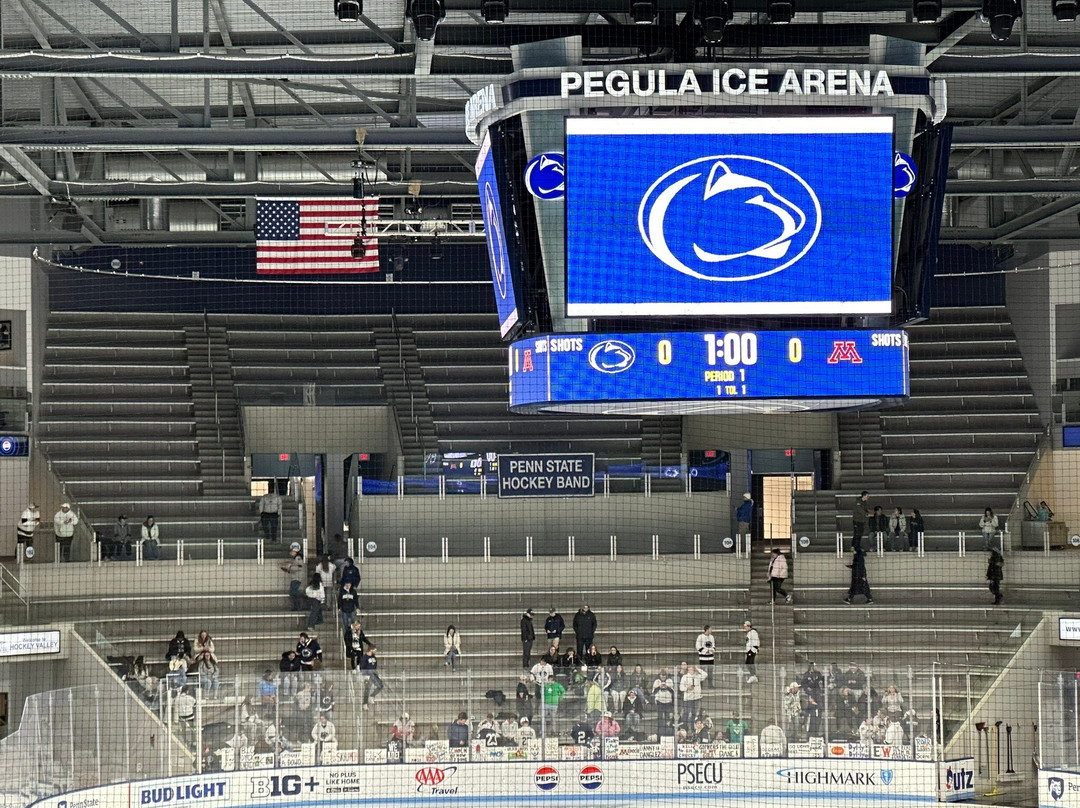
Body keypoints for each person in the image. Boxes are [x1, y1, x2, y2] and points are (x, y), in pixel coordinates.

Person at [281, 544, 306, 611]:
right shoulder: (295, 559)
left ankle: (301, 600)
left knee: (293, 592)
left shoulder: (298, 558)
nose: (290, 553)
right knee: (293, 593)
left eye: (292, 551)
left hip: (297, 578)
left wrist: (290, 567)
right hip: (295, 577)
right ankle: (296, 606)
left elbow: (299, 567)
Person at [652, 668, 675, 736]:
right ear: (660, 675)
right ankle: (659, 733)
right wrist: (659, 687)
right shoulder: (657, 681)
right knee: (660, 718)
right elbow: (654, 692)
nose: (663, 677)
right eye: (662, 676)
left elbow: (673, 691)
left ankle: (668, 732)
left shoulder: (670, 681)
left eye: (664, 676)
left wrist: (667, 687)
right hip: (659, 702)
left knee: (667, 718)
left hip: (668, 702)